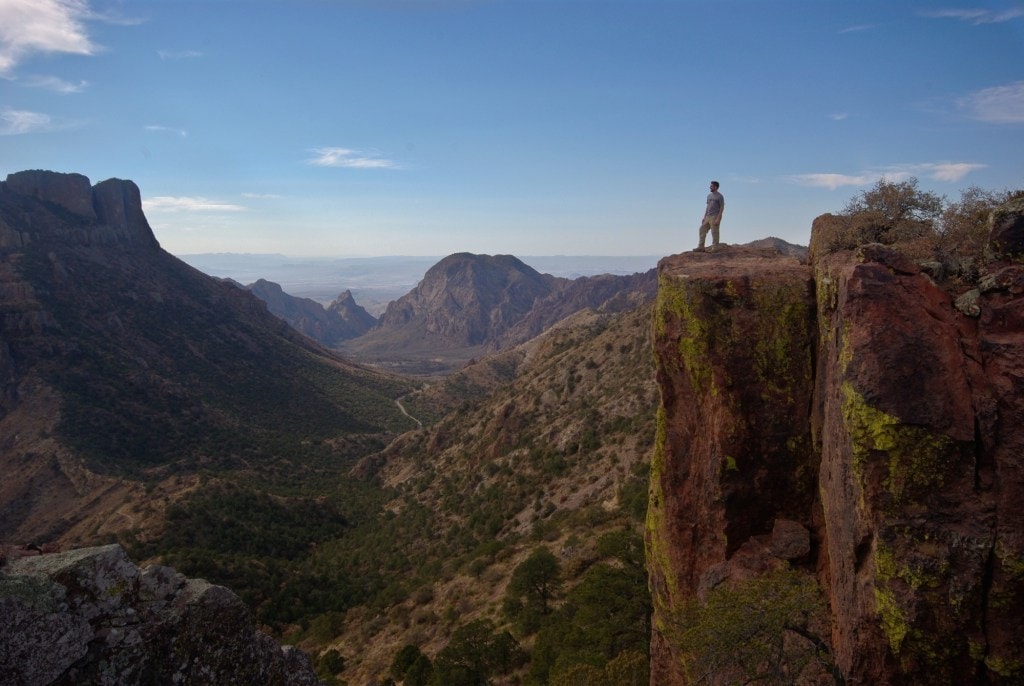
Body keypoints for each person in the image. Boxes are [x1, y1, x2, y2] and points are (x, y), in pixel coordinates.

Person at [696, 181, 724, 251]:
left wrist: (718, 218)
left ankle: (715, 248)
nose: (710, 187)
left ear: (716, 187)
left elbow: (722, 207)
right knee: (702, 229)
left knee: (714, 232)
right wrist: (704, 217)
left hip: (715, 216)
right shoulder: (709, 196)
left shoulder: (720, 196)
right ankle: (701, 247)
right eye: (710, 186)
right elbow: (707, 206)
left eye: (711, 186)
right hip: (707, 216)